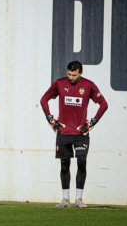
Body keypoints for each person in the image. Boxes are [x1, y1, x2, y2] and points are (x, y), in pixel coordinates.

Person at [40, 60, 108, 208]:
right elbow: (43, 99)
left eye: (74, 75)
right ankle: (65, 199)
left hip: (80, 133)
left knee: (81, 161)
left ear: (80, 73)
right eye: (69, 74)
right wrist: (50, 119)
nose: (71, 77)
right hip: (63, 132)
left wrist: (92, 122)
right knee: (65, 165)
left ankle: (79, 198)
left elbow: (104, 104)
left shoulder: (89, 86)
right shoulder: (59, 83)